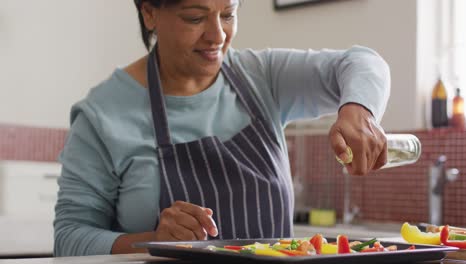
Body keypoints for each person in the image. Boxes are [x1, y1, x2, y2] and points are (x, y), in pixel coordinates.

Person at [54, 0, 390, 256]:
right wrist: (151, 241)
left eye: (228, 14)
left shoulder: (262, 77)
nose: (217, 35)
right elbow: (69, 238)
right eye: (195, 18)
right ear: (150, 14)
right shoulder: (102, 115)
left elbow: (363, 62)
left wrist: (359, 111)